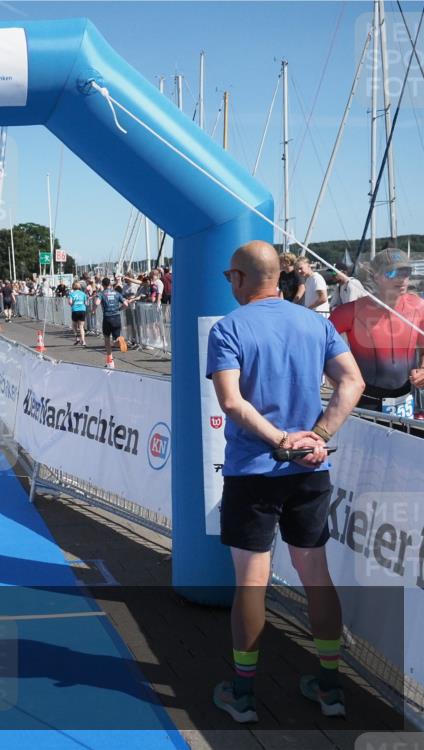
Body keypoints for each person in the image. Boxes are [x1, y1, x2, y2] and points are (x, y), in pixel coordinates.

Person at [207, 240, 364, 724]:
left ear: (238, 278)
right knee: (315, 574)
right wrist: (317, 436)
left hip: (255, 471)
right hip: (309, 469)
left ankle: (243, 694)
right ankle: (331, 688)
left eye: (229, 277)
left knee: (251, 582)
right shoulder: (316, 323)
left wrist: (281, 440)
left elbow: (231, 402)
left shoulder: (229, 327)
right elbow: (352, 382)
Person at [328, 248, 424, 417]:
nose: (402, 279)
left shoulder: (419, 307)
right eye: (392, 272)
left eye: (406, 272)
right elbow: (318, 347)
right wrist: (339, 381)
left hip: (406, 400)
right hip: (364, 402)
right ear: (375, 276)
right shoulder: (349, 312)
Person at [95, 277, 128, 368]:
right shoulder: (117, 293)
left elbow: (97, 303)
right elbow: (126, 304)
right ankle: (119, 341)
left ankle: (110, 362)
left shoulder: (101, 293)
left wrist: (94, 309)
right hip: (116, 317)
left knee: (107, 339)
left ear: (103, 285)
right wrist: (120, 309)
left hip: (107, 318)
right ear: (110, 284)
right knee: (115, 339)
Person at [67, 280, 89, 347]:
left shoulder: (71, 294)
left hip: (75, 310)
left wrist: (73, 303)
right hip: (82, 310)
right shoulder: (83, 294)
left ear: (73, 287)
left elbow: (70, 303)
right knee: (81, 326)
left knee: (74, 325)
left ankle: (77, 338)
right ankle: (83, 341)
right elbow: (86, 303)